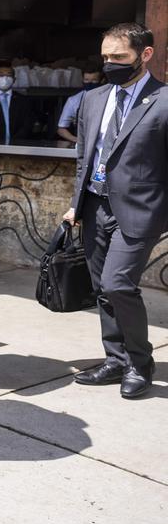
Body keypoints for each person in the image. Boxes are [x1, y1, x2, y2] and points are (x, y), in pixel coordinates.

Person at [64, 22, 167, 399]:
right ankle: (115, 358)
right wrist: (76, 205)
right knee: (101, 288)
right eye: (105, 57)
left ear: (145, 55)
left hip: (140, 212)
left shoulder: (164, 100)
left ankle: (140, 363)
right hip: (94, 208)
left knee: (118, 284)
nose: (110, 64)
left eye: (119, 57)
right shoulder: (93, 99)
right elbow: (83, 157)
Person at [57, 68, 104, 144]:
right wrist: (78, 141)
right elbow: (61, 129)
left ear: (102, 80)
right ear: (82, 80)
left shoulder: (110, 98)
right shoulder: (74, 100)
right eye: (86, 80)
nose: (90, 83)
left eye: (94, 80)